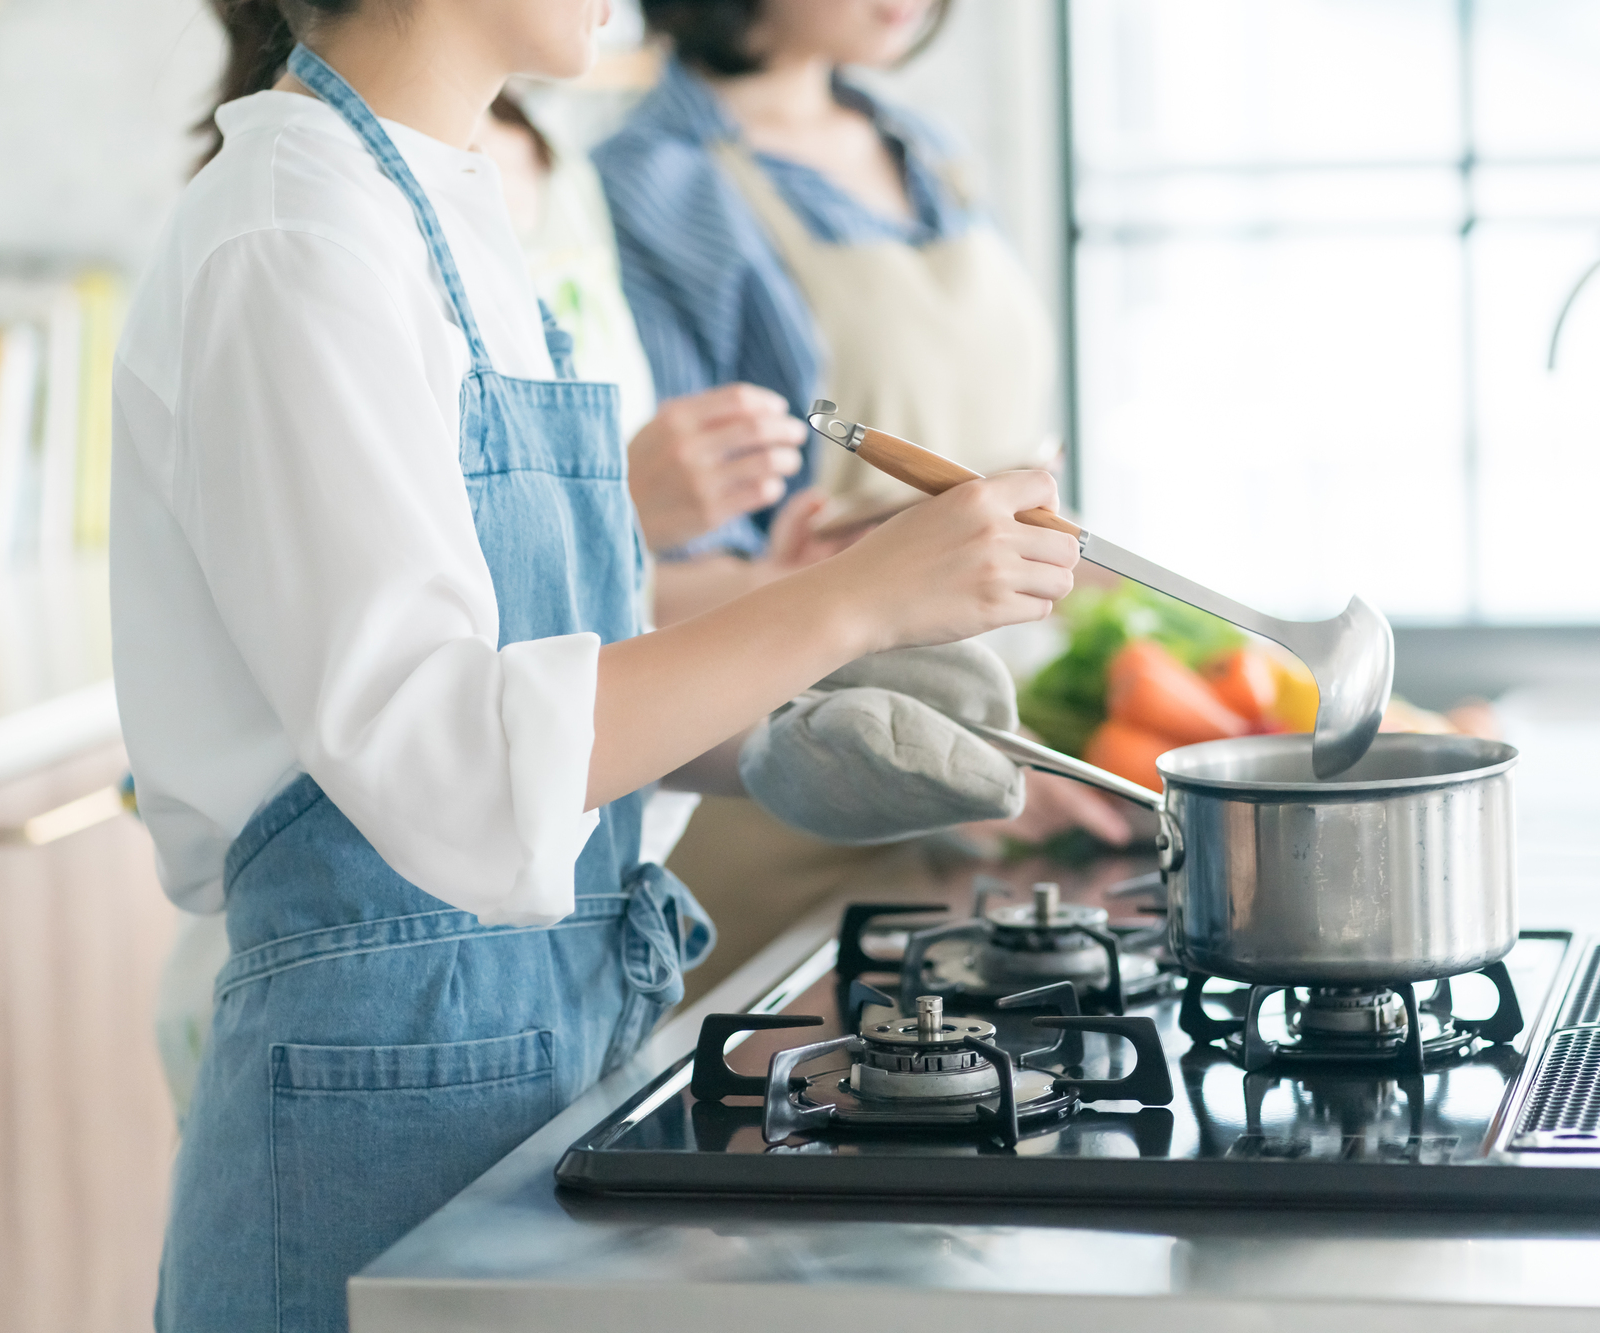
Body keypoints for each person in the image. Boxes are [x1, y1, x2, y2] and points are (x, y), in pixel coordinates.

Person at [114, 2, 1077, 1328]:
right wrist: (844, 606)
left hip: (542, 1066)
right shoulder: (292, 234)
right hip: (369, 1103)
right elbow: (445, 760)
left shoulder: (453, 212)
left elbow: (553, 676)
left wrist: (777, 745)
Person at [594, 0, 1132, 988]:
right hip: (795, 780)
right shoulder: (652, 188)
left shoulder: (922, 146)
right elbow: (646, 572)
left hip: (1002, 771)